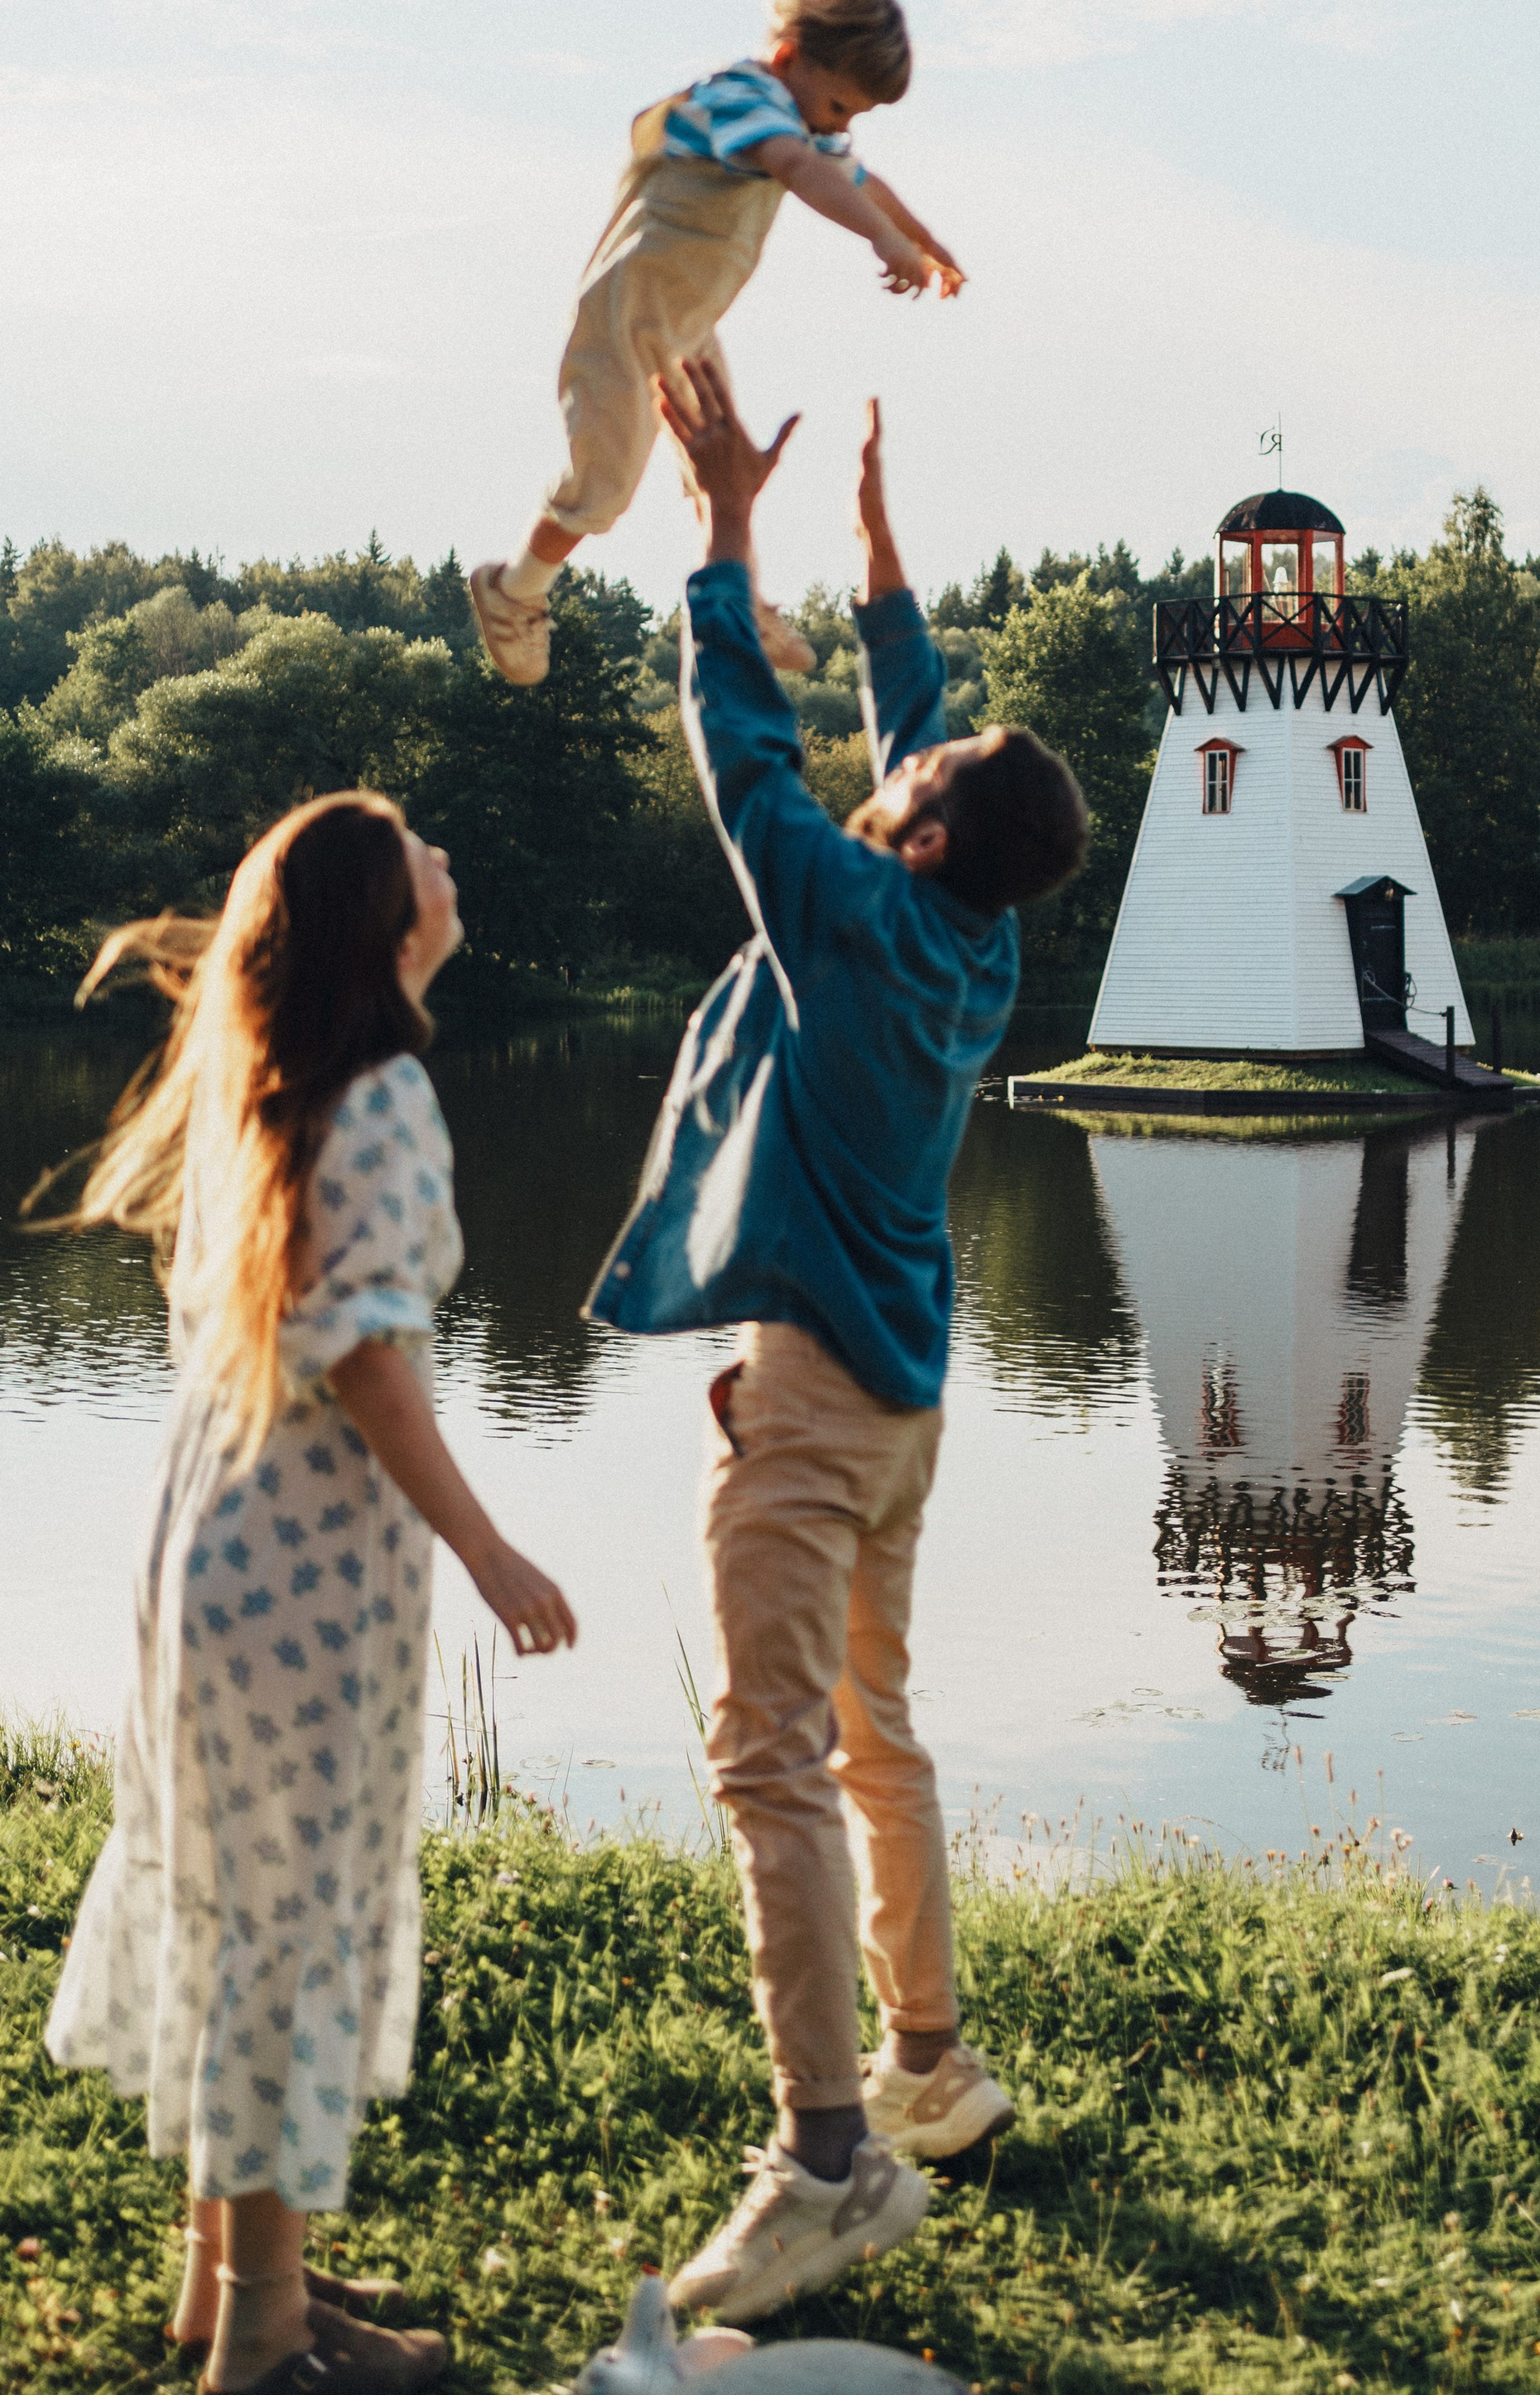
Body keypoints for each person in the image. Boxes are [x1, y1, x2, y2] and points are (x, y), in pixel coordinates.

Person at [587, 356, 1088, 2325]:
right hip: (905, 1393)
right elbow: (921, 737)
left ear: (905, 831)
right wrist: (877, 560)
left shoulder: (843, 908)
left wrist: (723, 529)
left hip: (810, 1406)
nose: (892, 774)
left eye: (906, 784)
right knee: (873, 1732)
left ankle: (824, 2154)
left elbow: (740, 749)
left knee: (768, 1759)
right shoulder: (977, 929)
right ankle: (930, 2058)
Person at [38, 793, 580, 2395]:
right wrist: (490, 1547)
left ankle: (228, 2282)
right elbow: (366, 1357)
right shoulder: (387, 1094)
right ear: (378, 915)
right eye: (422, 848)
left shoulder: (266, 1092)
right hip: (304, 1570)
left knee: (242, 1902)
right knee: (282, 1922)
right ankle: (265, 2345)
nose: (451, 860)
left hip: (209, 1547)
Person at [469, 0, 966, 692]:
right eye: (838, 107)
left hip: (686, 322)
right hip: (628, 314)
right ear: (790, 57)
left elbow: (856, 174)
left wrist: (923, 240)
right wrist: (882, 239)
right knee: (603, 486)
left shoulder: (802, 117)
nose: (839, 127)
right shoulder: (746, 100)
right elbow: (801, 168)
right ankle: (516, 588)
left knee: (722, 468)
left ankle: (738, 595)